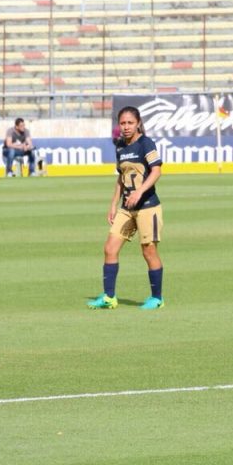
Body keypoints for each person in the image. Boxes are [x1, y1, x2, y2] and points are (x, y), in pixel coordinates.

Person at [88, 106, 165, 311]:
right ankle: (109, 297)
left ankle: (157, 298)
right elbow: (121, 179)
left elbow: (156, 171)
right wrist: (113, 204)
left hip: (148, 207)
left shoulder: (145, 143)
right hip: (126, 208)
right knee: (110, 248)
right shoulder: (120, 146)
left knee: (148, 251)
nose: (126, 127)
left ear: (138, 123)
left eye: (130, 123)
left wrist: (139, 192)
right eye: (122, 123)